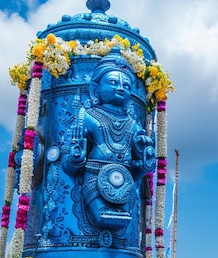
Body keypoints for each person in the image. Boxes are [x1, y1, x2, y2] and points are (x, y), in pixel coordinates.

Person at [63, 50, 156, 230]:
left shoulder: (134, 126)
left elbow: (136, 169)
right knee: (104, 217)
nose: (121, 88)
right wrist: (75, 158)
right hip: (94, 179)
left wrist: (145, 164)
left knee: (123, 221)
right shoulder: (87, 117)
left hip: (125, 186)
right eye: (113, 82)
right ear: (95, 89)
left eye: (127, 85)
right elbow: (68, 166)